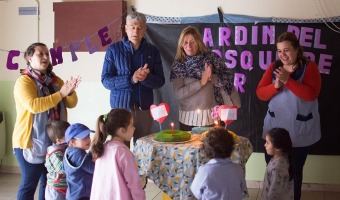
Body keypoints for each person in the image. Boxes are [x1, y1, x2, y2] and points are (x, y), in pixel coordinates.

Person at [256, 31, 322, 200]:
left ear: (296, 50)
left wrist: (288, 81)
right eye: (279, 51)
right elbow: (260, 94)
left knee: (295, 173)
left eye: (286, 50)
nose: (282, 55)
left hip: (298, 132)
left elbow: (311, 94)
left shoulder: (310, 67)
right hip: (275, 132)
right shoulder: (274, 67)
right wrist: (275, 86)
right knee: (273, 170)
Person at [12, 42, 80, 200]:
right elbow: (34, 106)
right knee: (29, 184)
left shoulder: (55, 80)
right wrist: (61, 94)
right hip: (29, 142)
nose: (45, 57)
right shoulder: (24, 81)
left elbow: (71, 103)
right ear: (29, 58)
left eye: (47, 54)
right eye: (40, 54)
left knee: (49, 183)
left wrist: (70, 92)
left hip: (53, 141)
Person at [101, 11, 165, 147]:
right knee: (120, 148)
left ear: (145, 29)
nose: (136, 31)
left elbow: (160, 80)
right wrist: (131, 79)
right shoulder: (113, 50)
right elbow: (106, 80)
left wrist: (145, 78)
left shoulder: (152, 51)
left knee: (143, 148)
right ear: (126, 28)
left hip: (144, 110)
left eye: (140, 27)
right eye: (132, 27)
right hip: (120, 110)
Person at [170, 26, 240, 131]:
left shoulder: (212, 58)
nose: (189, 46)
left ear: (198, 42)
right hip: (188, 119)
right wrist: (201, 82)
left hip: (213, 116)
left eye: (192, 41)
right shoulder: (178, 64)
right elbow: (178, 93)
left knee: (213, 147)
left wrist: (211, 78)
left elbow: (227, 80)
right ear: (181, 44)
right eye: (185, 42)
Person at [90, 108, 146, 199]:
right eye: (132, 125)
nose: (134, 128)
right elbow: (134, 184)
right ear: (122, 130)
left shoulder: (102, 148)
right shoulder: (123, 152)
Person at [190, 127, 247, 200]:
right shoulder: (238, 169)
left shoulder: (205, 171)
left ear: (206, 149)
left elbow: (196, 191)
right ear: (231, 148)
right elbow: (242, 189)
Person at [63, 123, 95, 200]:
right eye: (84, 138)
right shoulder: (77, 154)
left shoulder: (70, 151)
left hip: (74, 194)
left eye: (88, 136)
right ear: (73, 142)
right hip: (81, 195)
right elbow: (93, 169)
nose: (88, 140)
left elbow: (85, 162)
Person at [262, 127, 294, 200]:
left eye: (267, 142)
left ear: (278, 148)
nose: (265, 145)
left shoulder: (277, 169)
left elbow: (273, 194)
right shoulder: (283, 157)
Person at [45, 120, 70, 200]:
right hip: (55, 190)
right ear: (59, 140)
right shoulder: (55, 153)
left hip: (63, 187)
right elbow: (62, 169)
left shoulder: (63, 148)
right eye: (69, 136)